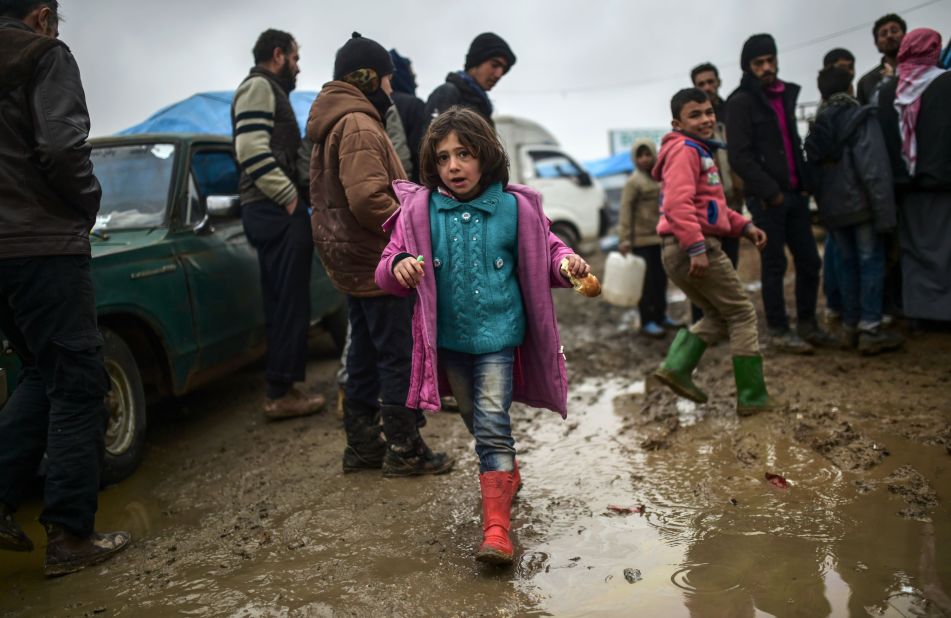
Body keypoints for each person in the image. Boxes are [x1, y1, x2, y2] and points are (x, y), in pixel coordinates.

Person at [374, 106, 590, 565]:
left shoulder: (514, 207)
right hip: (450, 341)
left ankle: (497, 530)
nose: (453, 166)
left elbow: (550, 248)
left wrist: (567, 263)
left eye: (464, 154)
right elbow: (386, 267)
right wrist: (399, 266)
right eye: (443, 157)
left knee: (491, 427)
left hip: (499, 338)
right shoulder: (420, 211)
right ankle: (506, 475)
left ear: (486, 156)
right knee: (476, 421)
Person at [0, 0, 130, 576]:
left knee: (37, 370)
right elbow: (59, 147)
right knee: (78, 383)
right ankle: (71, 537)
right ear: (41, 14)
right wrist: (87, 204)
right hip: (42, 244)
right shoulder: (44, 53)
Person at [308, 32, 454, 476]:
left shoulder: (336, 119)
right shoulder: (357, 123)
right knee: (397, 352)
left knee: (365, 353)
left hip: (352, 256)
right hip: (378, 256)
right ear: (369, 78)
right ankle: (405, 449)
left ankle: (364, 446)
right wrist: (413, 233)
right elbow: (370, 198)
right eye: (388, 78)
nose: (392, 89)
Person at [651, 88, 779, 416]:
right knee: (742, 313)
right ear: (677, 122)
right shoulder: (685, 151)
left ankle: (677, 367)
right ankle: (753, 398)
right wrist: (696, 248)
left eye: (709, 112)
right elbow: (678, 205)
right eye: (695, 115)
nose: (706, 119)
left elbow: (712, 208)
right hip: (694, 245)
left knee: (718, 315)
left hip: (678, 247)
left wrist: (745, 227)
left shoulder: (697, 150)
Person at [231, 29, 325, 420]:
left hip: (271, 210)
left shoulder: (269, 89)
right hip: (274, 210)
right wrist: (288, 198)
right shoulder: (258, 86)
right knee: (289, 302)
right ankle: (280, 391)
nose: (298, 67)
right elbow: (248, 149)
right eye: (295, 58)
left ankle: (282, 384)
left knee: (284, 299)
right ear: (278, 55)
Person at [726, 33, 836, 354]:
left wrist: (803, 185)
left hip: (796, 194)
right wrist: (771, 193)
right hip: (767, 199)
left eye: (770, 60)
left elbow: (793, 144)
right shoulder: (740, 102)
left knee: (809, 261)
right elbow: (740, 156)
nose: (767, 67)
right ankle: (778, 329)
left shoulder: (784, 95)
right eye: (759, 62)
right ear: (748, 66)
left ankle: (807, 323)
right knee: (774, 264)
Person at [804, 66, 904, 354]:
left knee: (847, 265)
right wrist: (886, 213)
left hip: (834, 211)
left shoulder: (818, 124)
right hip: (862, 205)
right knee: (871, 263)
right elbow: (874, 169)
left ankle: (850, 326)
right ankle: (871, 328)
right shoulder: (861, 118)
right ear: (850, 88)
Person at [877, 29, 951, 324]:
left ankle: (919, 312)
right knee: (944, 249)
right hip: (943, 183)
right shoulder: (946, 83)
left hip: (903, 187)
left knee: (914, 249)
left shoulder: (887, 91)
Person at [690, 62, 744, 268]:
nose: (707, 87)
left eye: (710, 82)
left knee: (731, 264)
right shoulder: (690, 122)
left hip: (732, 201)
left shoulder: (732, 113)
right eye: (701, 83)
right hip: (704, 209)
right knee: (708, 270)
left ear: (718, 82)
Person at [617, 139, 669, 337]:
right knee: (646, 284)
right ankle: (647, 321)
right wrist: (624, 239)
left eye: (648, 154)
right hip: (640, 241)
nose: (645, 159)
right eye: (640, 155)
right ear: (634, 159)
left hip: (660, 238)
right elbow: (625, 211)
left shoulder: (659, 178)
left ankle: (661, 316)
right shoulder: (634, 182)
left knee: (660, 280)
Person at [422, 32, 516, 127]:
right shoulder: (447, 93)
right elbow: (433, 138)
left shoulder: (484, 108)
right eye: (494, 65)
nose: (499, 74)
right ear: (475, 62)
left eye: (503, 70)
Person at [389, 49, 428, 182]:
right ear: (401, 75)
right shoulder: (414, 105)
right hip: (410, 183)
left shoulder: (374, 103)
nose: (415, 83)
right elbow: (421, 150)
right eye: (412, 77)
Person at [857, 14, 907, 105]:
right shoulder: (866, 82)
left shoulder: (925, 68)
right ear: (876, 44)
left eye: (894, 31)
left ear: (906, 36)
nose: (889, 35)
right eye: (883, 34)